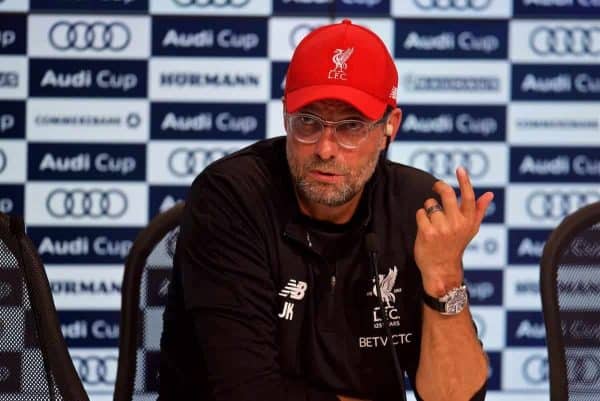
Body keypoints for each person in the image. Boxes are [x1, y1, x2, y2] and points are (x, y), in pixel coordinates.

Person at [159, 19, 491, 401]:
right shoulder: (232, 197)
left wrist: (444, 276)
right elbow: (248, 393)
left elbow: (456, 398)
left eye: (350, 126)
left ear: (389, 127)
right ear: (285, 115)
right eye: (308, 122)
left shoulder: (415, 208)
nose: (326, 149)